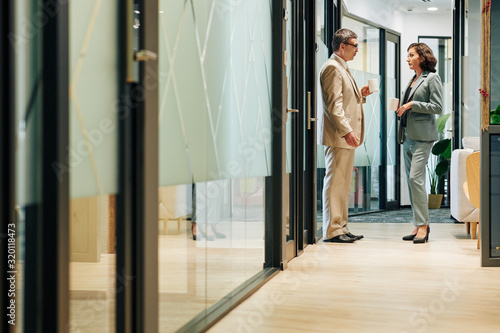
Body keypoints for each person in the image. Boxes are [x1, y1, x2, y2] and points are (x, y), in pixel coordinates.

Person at [318, 29, 372, 243]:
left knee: (343, 183)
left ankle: (341, 227)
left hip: (345, 137)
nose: (357, 50)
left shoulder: (341, 67)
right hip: (339, 136)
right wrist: (347, 131)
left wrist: (361, 95)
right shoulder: (332, 68)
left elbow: (344, 100)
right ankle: (332, 230)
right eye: (355, 45)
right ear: (342, 46)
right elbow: (334, 107)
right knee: (335, 183)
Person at [398, 43, 443, 244]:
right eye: (407, 55)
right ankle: (418, 224)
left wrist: (412, 104)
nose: (407, 59)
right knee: (411, 181)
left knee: (416, 179)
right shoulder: (412, 79)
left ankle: (424, 226)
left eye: (411, 55)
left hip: (423, 137)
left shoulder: (431, 78)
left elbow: (437, 107)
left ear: (422, 57)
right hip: (407, 135)